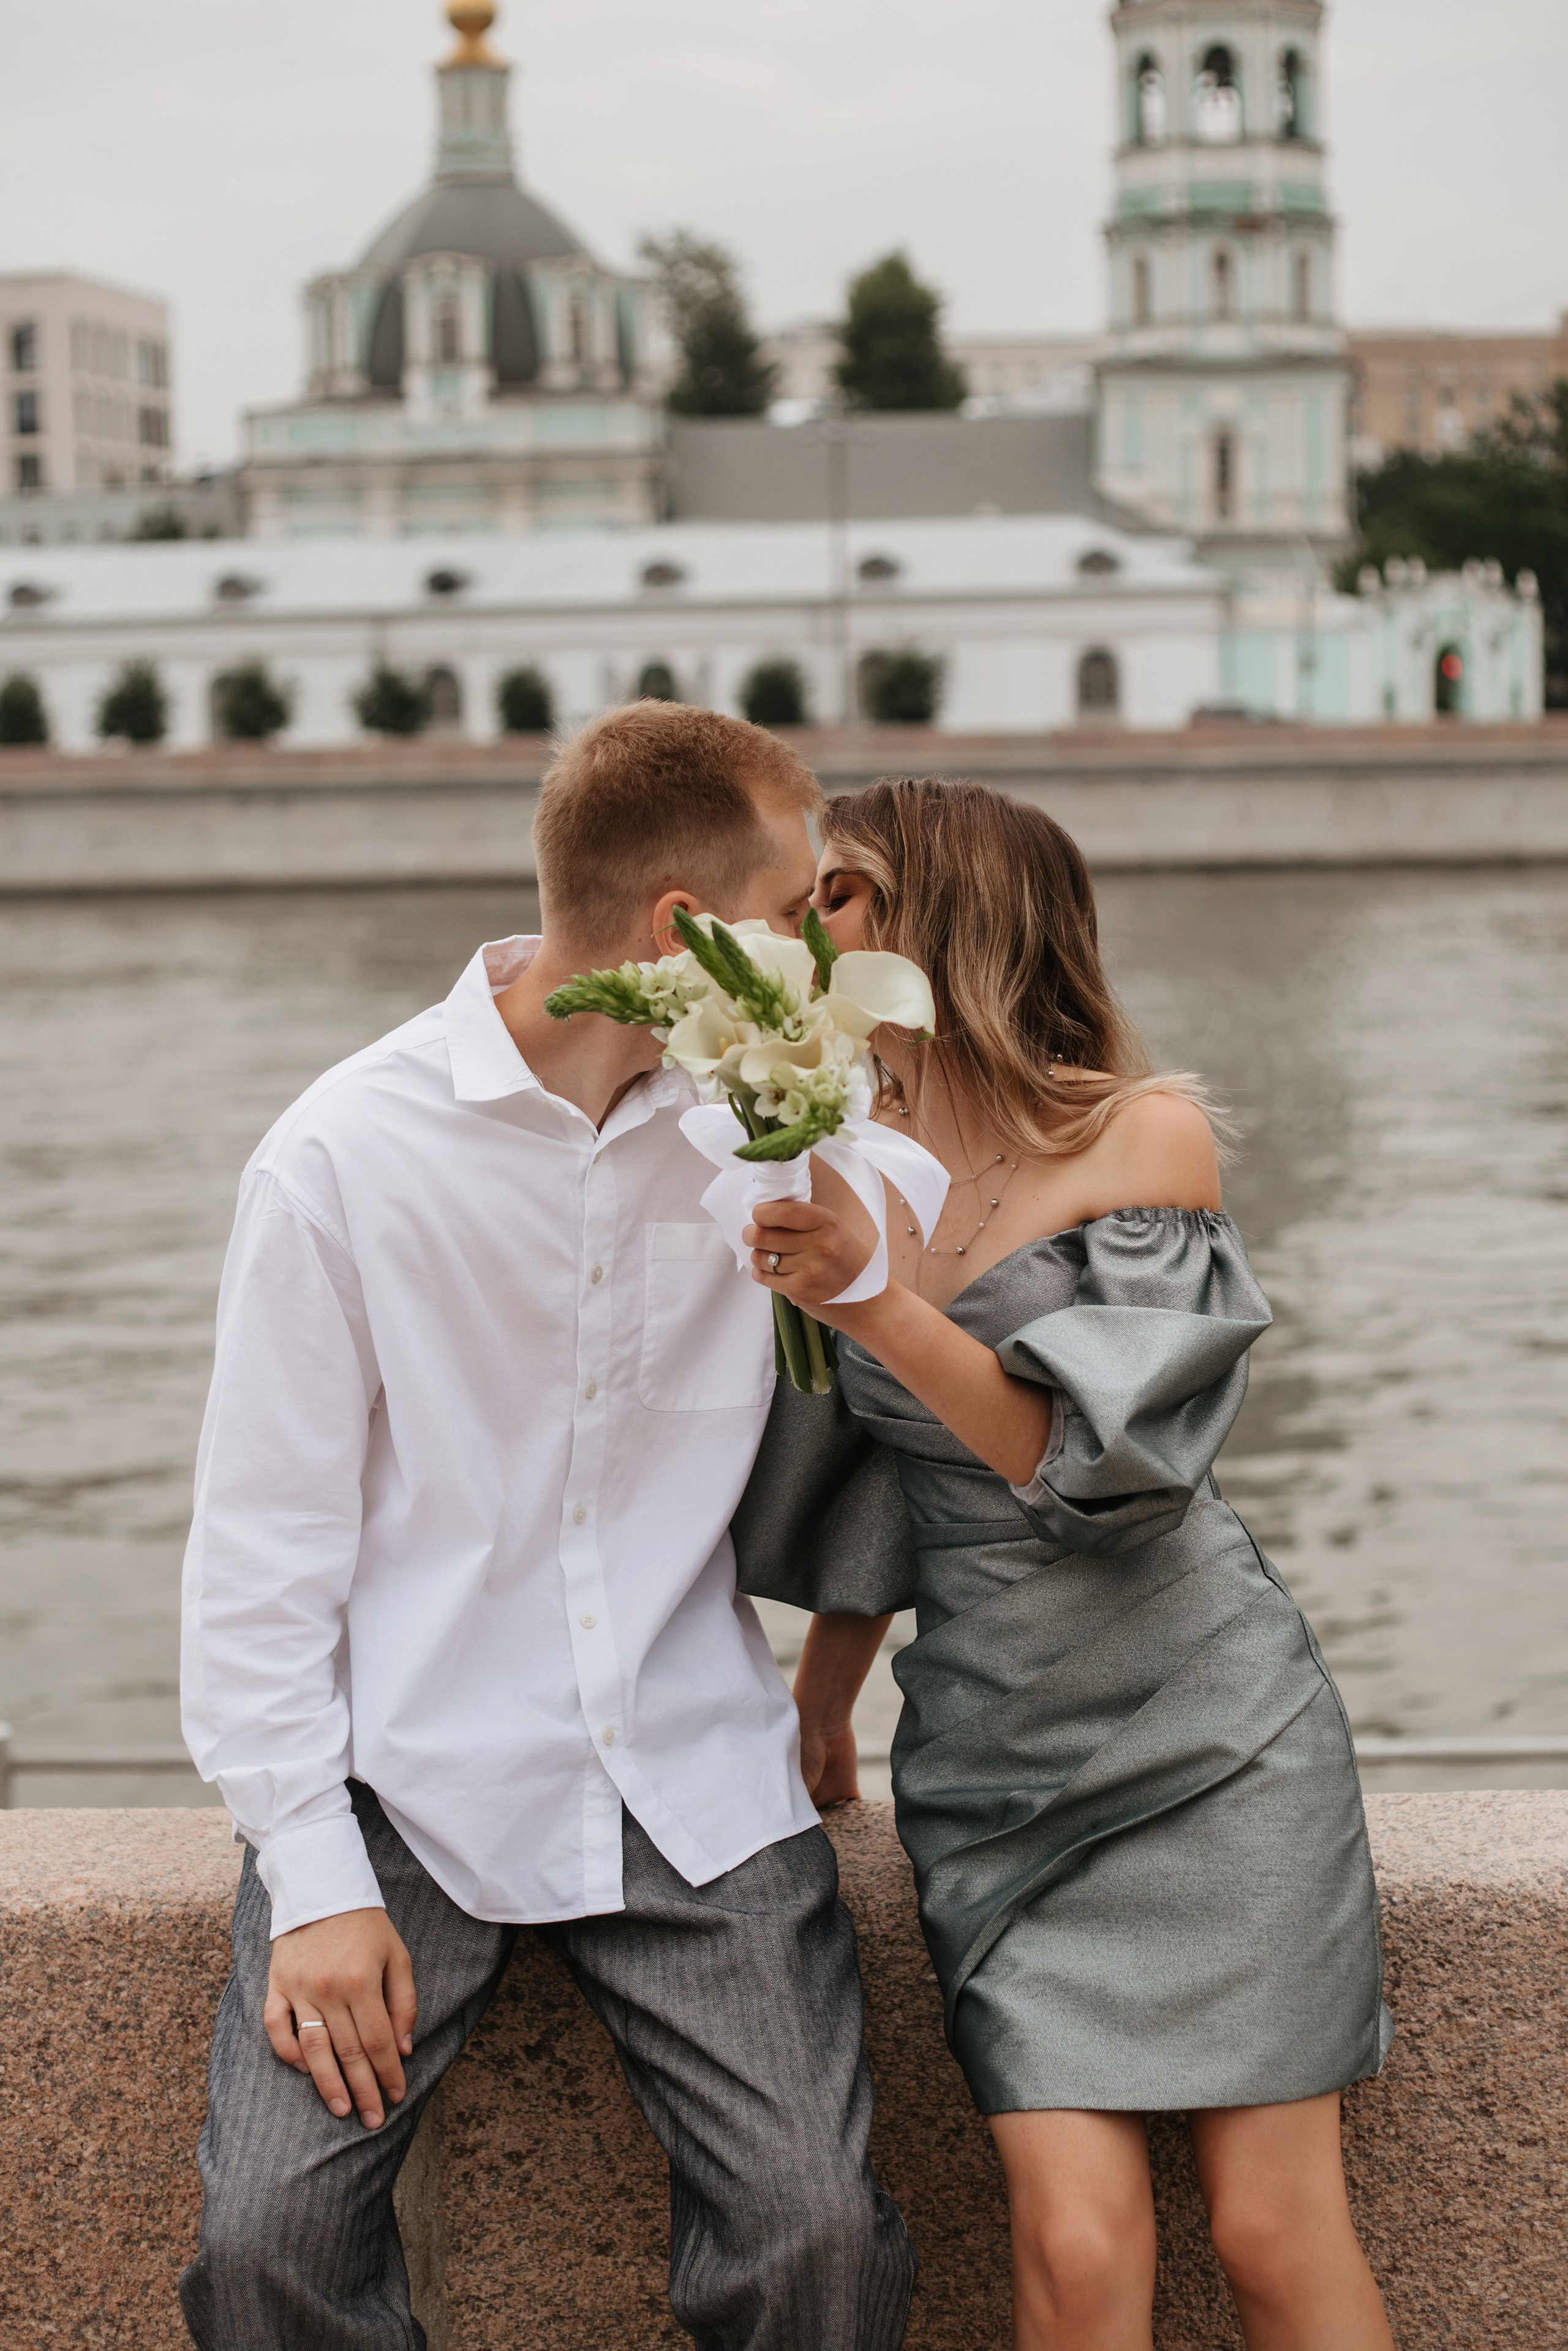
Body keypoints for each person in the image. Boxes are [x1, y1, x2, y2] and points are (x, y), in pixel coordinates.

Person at [177, 703, 916, 2351]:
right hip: (405, 1776)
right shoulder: (340, 1156)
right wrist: (313, 1877)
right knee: (265, 2242)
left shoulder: (775, 1120)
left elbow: (913, 1268)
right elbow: (259, 1558)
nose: (817, 948)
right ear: (689, 931)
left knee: (817, 2230)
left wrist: (852, 1205)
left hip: (690, 1764)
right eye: (792, 911)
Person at [739, 777, 1396, 2351]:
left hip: (1212, 1732)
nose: (800, 921)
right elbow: (872, 1471)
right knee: (1077, 2242)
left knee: (1268, 2230)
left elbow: (1107, 1473)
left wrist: (873, 1299)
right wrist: (821, 1701)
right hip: (992, 1762)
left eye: (836, 889)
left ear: (941, 914)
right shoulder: (834, 1154)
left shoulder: (1140, 1133)